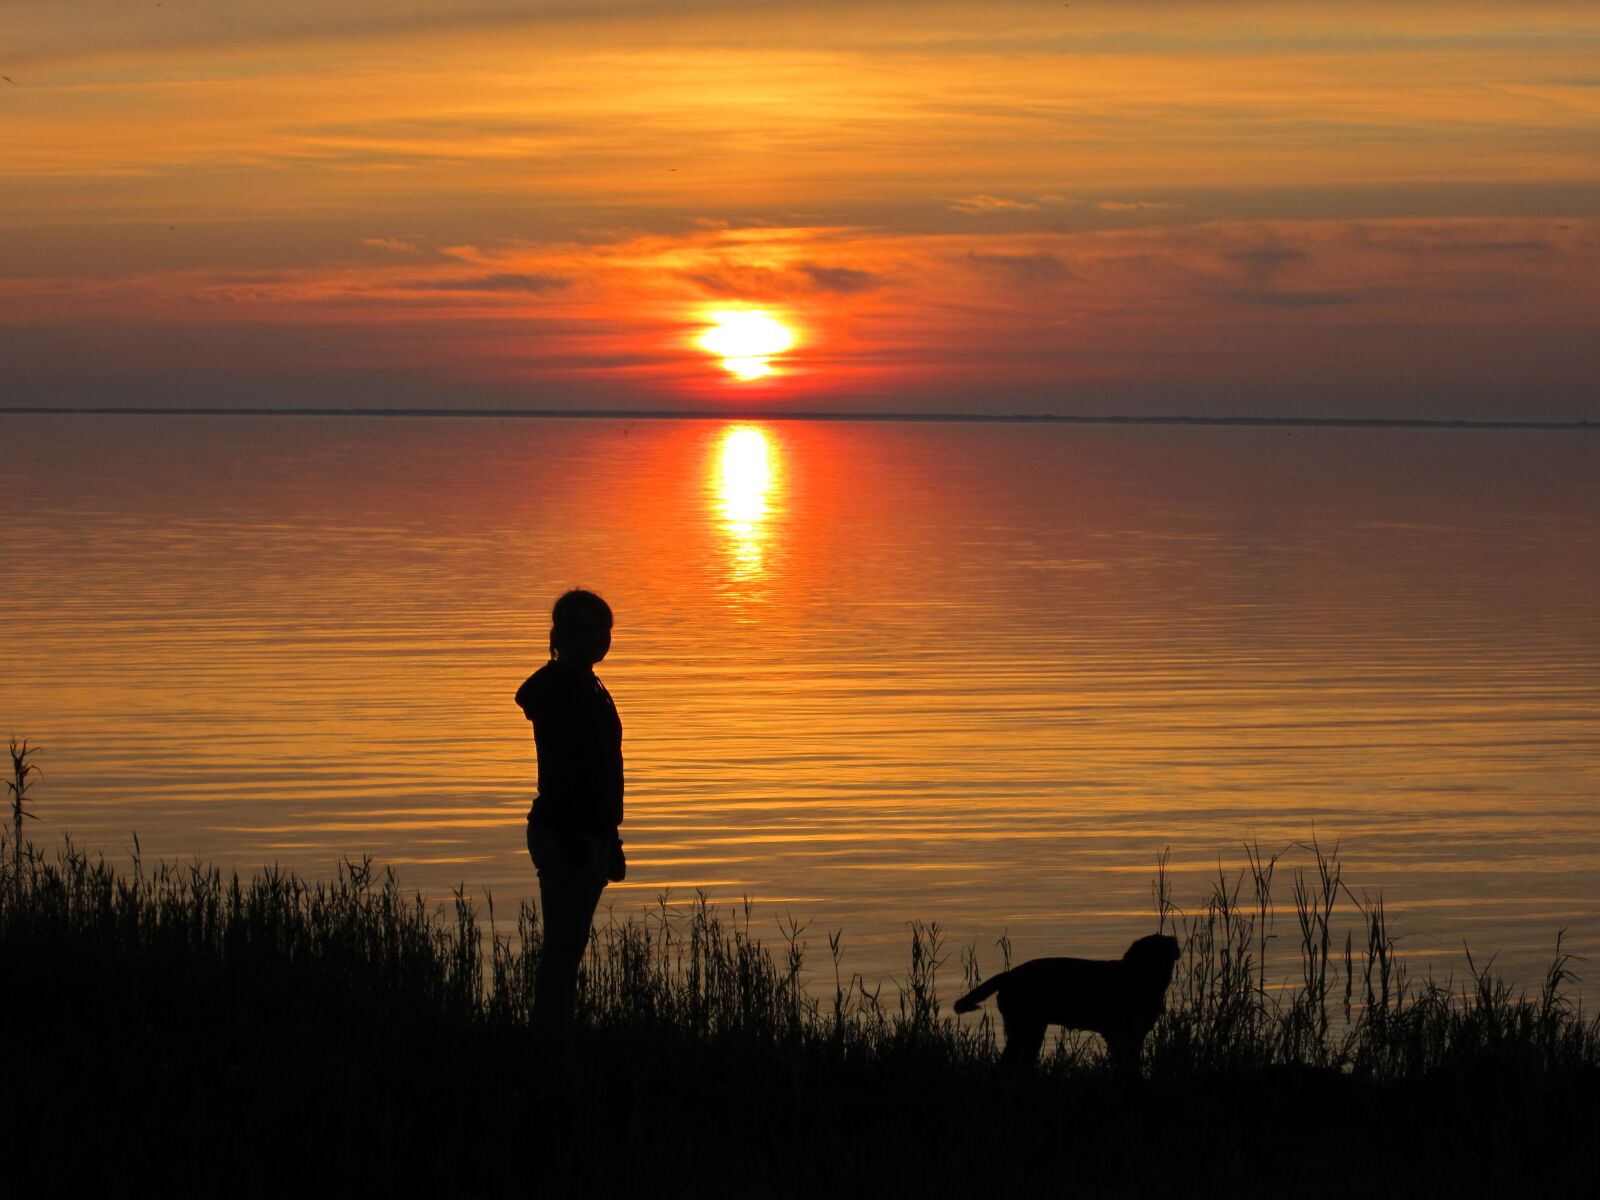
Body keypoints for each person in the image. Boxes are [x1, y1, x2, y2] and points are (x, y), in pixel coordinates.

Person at [515, 588, 626, 1055]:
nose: (597, 638)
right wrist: (581, 842)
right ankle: (550, 1046)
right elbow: (566, 774)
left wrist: (611, 839)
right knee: (561, 949)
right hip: (565, 832)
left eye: (603, 629)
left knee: (570, 946)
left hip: (590, 832)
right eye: (585, 629)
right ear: (561, 636)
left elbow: (603, 771)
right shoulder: (561, 687)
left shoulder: (590, 684)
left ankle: (558, 1039)